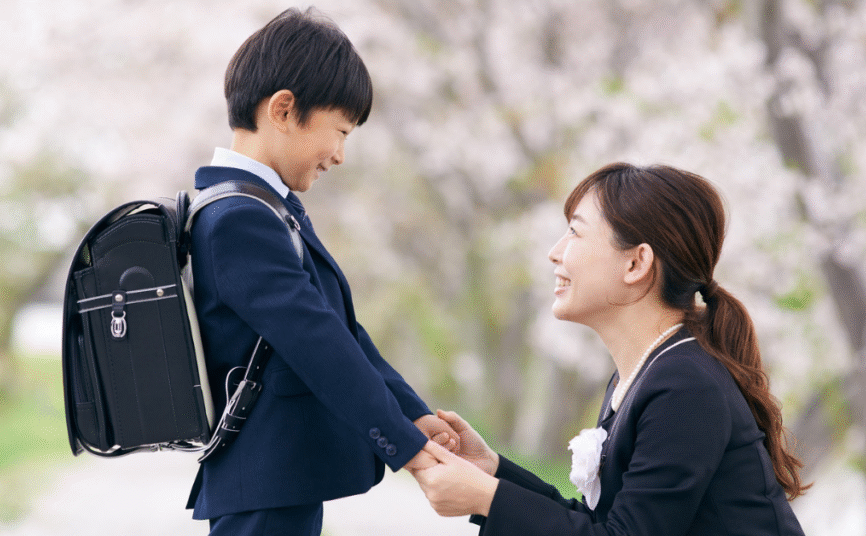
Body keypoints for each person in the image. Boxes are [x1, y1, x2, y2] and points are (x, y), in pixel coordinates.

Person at [409, 162, 809, 535]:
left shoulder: (686, 384)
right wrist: (491, 473)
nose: (555, 251)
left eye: (576, 232)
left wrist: (488, 497)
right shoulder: (649, 372)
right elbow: (605, 523)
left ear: (636, 264)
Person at [186, 7, 457, 535]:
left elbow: (336, 328)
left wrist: (412, 416)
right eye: (340, 131)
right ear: (284, 110)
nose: (339, 155)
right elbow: (319, 345)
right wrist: (410, 452)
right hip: (265, 482)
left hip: (276, 481)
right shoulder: (239, 219)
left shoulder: (260, 209)